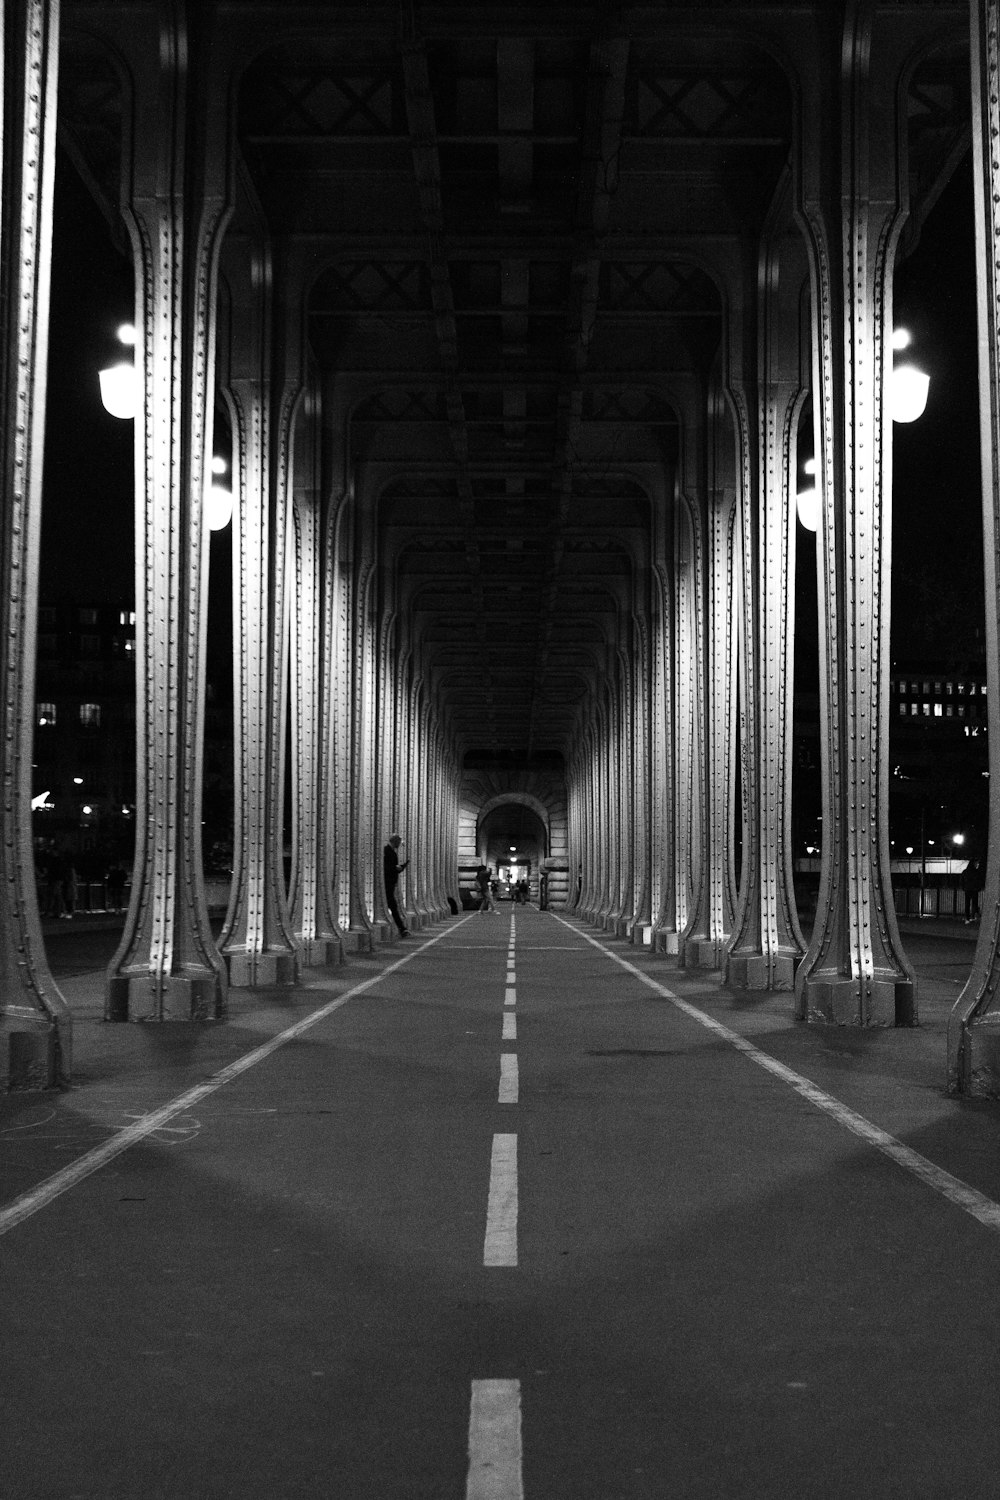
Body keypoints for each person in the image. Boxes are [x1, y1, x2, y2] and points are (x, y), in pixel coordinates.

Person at [383, 833, 409, 937]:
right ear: (395, 841)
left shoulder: (391, 851)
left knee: (393, 907)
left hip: (390, 883)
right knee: (393, 907)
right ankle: (402, 928)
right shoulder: (387, 851)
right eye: (399, 842)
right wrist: (395, 868)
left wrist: (401, 867)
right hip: (387, 884)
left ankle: (402, 928)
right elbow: (386, 868)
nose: (400, 844)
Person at [962, 858, 985, 924]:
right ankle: (973, 917)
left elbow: (962, 881)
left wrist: (964, 887)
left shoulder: (965, 871)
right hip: (974, 890)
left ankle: (967, 918)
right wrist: (978, 888)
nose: (977, 864)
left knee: (967, 904)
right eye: (976, 863)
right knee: (974, 903)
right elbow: (979, 881)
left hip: (967, 889)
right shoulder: (976, 872)